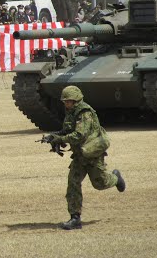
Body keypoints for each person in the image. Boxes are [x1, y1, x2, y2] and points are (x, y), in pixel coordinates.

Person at [47, 86, 125, 230]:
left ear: (76, 100)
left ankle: (116, 178)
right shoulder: (71, 112)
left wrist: (60, 138)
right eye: (64, 101)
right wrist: (56, 135)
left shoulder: (85, 113)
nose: (66, 104)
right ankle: (75, 218)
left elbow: (79, 135)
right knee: (73, 183)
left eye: (68, 101)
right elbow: (69, 130)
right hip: (79, 156)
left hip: (92, 155)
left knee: (100, 183)